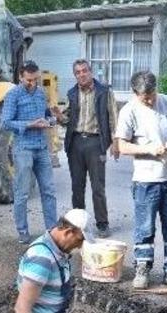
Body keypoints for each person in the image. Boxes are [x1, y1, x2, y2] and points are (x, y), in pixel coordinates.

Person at [114, 71, 167, 291]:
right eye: (145, 97)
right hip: (145, 180)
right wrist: (148, 149)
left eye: (152, 95)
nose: (150, 100)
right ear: (135, 93)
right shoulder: (129, 111)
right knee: (144, 227)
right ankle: (142, 268)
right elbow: (121, 146)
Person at [51, 59, 119, 238]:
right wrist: (59, 116)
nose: (81, 74)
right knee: (77, 187)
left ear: (91, 72)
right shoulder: (72, 93)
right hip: (76, 143)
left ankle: (102, 223)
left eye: (84, 71)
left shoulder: (104, 91)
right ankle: (77, 224)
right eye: (78, 72)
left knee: (98, 186)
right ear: (75, 75)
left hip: (96, 142)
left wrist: (116, 142)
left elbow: (113, 117)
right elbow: (67, 120)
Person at [2, 60, 58, 244]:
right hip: (23, 149)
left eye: (36, 79)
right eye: (29, 80)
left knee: (48, 190)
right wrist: (29, 124)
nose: (33, 83)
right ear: (20, 77)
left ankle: (52, 231)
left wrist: (51, 120)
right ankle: (23, 232)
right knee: (22, 192)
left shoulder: (41, 93)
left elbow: (48, 115)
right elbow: (5, 123)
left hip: (42, 148)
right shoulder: (13, 95)